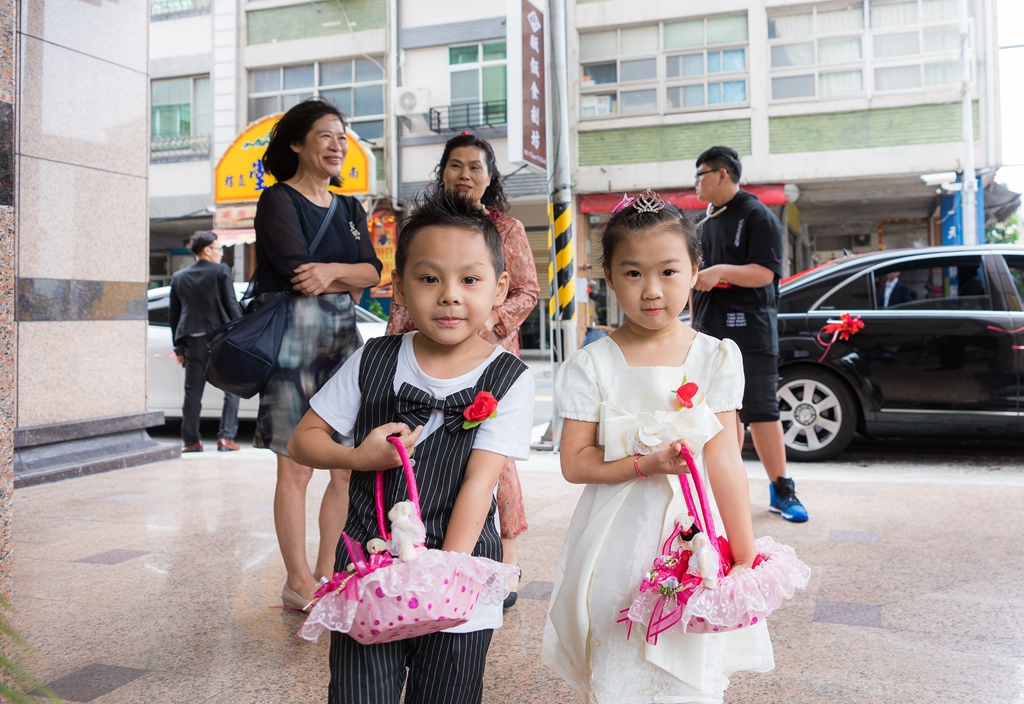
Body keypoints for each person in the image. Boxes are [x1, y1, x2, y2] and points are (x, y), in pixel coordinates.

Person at [287, 190, 535, 704]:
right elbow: (303, 439)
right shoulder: (373, 358)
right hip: (370, 576)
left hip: (457, 580)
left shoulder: (509, 377)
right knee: (359, 694)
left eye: (470, 279)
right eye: (429, 278)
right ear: (398, 287)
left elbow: (478, 484)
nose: (450, 295)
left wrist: (437, 579)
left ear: (499, 288)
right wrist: (357, 459)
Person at [542, 191, 774, 702]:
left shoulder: (715, 357)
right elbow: (575, 463)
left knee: (691, 659)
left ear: (695, 271)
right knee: (619, 643)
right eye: (632, 273)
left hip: (695, 532)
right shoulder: (592, 364)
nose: (652, 290)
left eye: (668, 272)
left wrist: (743, 551)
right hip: (616, 534)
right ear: (609, 279)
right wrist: (646, 463)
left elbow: (725, 457)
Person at [386, 132, 539, 607]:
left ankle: (504, 563)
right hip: (425, 353)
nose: (465, 174)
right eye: (456, 165)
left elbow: (527, 290)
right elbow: (404, 293)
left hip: (485, 356)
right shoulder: (420, 225)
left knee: (497, 461)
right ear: (443, 172)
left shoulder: (506, 229)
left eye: (476, 166)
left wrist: (487, 325)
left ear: (489, 177)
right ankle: (412, 549)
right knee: (420, 448)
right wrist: (393, 348)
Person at [251, 98, 383, 610]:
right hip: (291, 347)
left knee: (346, 466)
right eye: (326, 135)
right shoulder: (277, 201)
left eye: (342, 137)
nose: (337, 145)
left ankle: (328, 572)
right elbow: (295, 270)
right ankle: (297, 580)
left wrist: (332, 274)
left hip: (341, 346)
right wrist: (338, 275)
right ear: (298, 143)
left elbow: (372, 272)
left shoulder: (350, 207)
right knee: (295, 467)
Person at [691, 145, 808, 523]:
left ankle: (782, 489)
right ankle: (725, 493)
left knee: (762, 411)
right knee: (719, 414)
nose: (696, 183)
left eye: (701, 174)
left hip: (751, 332)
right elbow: (695, 284)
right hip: (709, 333)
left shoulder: (757, 215)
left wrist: (721, 270)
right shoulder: (703, 223)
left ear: (722, 174)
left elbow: (765, 274)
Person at [169, 231, 244, 453]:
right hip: (220, 339)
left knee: (193, 392)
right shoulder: (221, 271)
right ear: (207, 250)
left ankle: (191, 441)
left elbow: (175, 316)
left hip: (193, 341)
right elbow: (231, 305)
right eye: (219, 249)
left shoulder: (179, 277)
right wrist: (243, 333)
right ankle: (225, 438)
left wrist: (179, 347)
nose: (221, 255)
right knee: (232, 389)